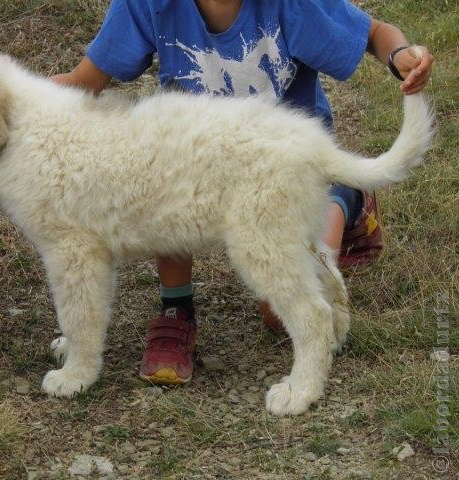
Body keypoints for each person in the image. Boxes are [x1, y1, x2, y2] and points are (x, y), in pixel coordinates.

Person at [52, 0, 434, 385]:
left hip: (286, 170)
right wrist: (11, 96)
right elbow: (84, 82)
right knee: (161, 168)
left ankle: (346, 198)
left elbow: (374, 34)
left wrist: (402, 55)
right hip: (199, 169)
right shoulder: (150, 4)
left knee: (279, 312)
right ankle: (176, 308)